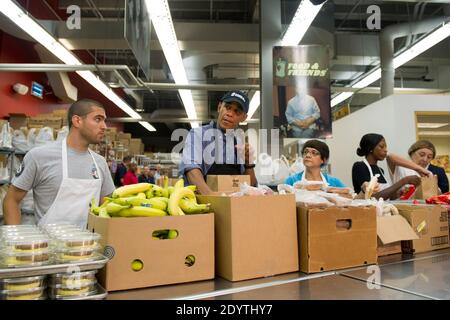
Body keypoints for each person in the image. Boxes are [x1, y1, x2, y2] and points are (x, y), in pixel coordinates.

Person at [3, 99, 115, 228]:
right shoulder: (39, 157)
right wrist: (15, 238)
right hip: (48, 245)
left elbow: (106, 206)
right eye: (98, 119)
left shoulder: (100, 163)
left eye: (104, 120)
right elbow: (11, 200)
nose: (104, 126)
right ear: (77, 121)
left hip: (88, 245)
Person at [179, 90, 257, 195]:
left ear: (243, 118)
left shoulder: (239, 144)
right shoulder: (198, 135)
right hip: (203, 204)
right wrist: (211, 196)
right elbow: (192, 170)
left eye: (237, 111)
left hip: (232, 205)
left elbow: (249, 188)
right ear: (219, 107)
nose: (230, 114)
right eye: (228, 107)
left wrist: (249, 165)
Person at [352, 133, 431, 200]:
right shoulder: (359, 166)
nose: (385, 150)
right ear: (371, 149)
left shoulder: (380, 170)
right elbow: (372, 198)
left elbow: (387, 198)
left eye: (386, 147)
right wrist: (405, 181)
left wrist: (399, 193)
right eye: (382, 146)